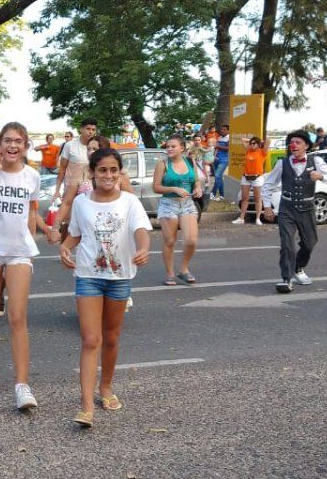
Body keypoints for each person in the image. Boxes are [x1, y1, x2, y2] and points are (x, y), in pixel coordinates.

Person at [58, 148, 151, 428]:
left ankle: (106, 388)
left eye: (113, 170)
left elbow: (141, 231)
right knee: (90, 339)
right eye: (102, 170)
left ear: (120, 172)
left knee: (111, 338)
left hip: (120, 276)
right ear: (92, 173)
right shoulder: (81, 203)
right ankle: (86, 406)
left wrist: (144, 248)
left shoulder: (130, 202)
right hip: (88, 275)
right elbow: (75, 234)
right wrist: (64, 247)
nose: (108, 175)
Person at [0, 122, 59, 411]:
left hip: (19, 251)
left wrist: (40, 233)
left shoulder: (32, 176)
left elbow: (31, 213)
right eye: (7, 140)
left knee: (18, 316)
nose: (12, 145)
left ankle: (22, 385)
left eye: (18, 141)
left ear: (25, 145)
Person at [261, 130, 327, 293]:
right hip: (287, 208)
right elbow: (268, 184)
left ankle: (298, 267)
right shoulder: (282, 163)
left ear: (306, 146)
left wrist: (321, 177)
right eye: (292, 142)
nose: (293, 145)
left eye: (298, 142)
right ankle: (286, 279)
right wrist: (267, 206)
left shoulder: (316, 161)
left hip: (307, 208)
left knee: (310, 243)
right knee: (287, 244)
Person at [152, 135, 203, 285]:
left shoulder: (189, 161)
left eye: (173, 146)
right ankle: (170, 273)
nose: (169, 149)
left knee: (191, 240)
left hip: (187, 204)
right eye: (167, 146)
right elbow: (156, 187)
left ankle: (184, 269)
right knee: (170, 241)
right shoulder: (163, 164)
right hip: (169, 204)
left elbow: (196, 180)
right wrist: (174, 188)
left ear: (182, 148)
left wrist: (198, 188)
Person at [55, 118, 97, 202]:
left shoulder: (97, 146)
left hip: (91, 192)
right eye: (88, 129)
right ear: (81, 129)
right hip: (71, 191)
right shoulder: (69, 145)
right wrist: (57, 191)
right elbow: (62, 169)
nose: (91, 132)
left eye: (93, 129)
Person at [232, 136, 268, 225]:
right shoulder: (248, 150)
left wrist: (260, 141)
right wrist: (251, 141)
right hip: (246, 177)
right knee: (245, 198)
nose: (251, 145)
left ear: (258, 145)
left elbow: (268, 141)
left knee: (257, 198)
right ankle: (241, 218)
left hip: (257, 177)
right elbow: (242, 139)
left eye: (254, 144)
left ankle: (258, 218)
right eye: (251, 143)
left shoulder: (262, 152)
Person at [211, 124, 230, 199]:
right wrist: (213, 156)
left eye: (224, 129)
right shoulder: (219, 138)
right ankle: (222, 195)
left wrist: (218, 146)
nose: (222, 131)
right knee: (219, 178)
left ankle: (213, 193)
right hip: (216, 159)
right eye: (222, 129)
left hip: (224, 160)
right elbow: (216, 149)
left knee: (217, 175)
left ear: (228, 130)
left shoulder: (229, 138)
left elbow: (228, 148)